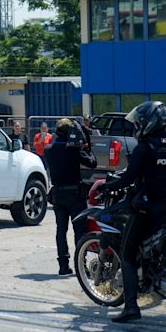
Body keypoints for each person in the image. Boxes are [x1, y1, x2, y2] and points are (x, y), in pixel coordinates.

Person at [97, 101, 166, 323]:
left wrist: (107, 187)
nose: (136, 127)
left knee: (126, 255)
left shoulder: (143, 148)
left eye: (138, 123)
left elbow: (128, 178)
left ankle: (131, 306)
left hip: (146, 209)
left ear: (147, 124)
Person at [45, 118, 97, 276]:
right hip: (74, 194)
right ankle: (81, 265)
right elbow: (92, 163)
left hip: (58, 194)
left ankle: (63, 266)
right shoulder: (74, 150)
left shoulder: (48, 149)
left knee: (61, 230)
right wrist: (86, 147)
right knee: (79, 231)